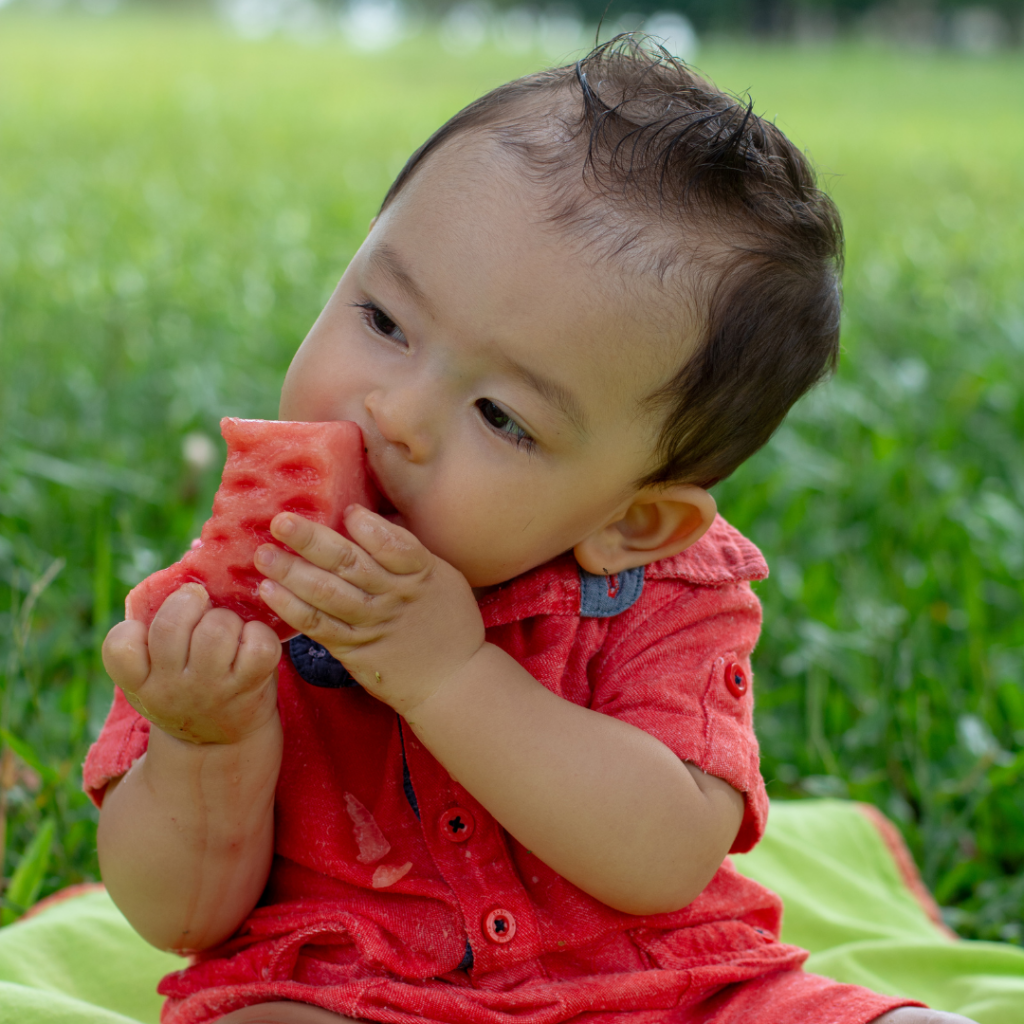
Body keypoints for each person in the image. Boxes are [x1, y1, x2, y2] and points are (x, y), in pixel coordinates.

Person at [86, 37, 976, 1024]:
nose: (398, 415)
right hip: (347, 991)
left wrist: (449, 675)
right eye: (384, 320)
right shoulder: (233, 608)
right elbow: (179, 917)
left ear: (633, 520)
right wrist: (204, 750)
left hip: (663, 993)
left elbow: (665, 857)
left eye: (502, 417)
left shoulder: (669, 595)